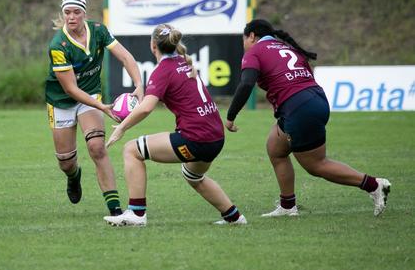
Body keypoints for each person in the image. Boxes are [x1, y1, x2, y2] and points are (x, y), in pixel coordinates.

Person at [225, 19, 391, 217]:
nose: (244, 44)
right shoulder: (287, 48)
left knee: (316, 165)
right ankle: (288, 206)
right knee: (275, 148)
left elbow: (246, 84)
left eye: (244, 39)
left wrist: (231, 116)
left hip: (298, 107)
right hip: (316, 99)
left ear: (252, 36)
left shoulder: (255, 51)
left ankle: (374, 185)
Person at [104, 24, 246, 227]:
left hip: (195, 139)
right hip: (215, 136)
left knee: (131, 150)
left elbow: (146, 108)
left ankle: (136, 214)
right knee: (193, 175)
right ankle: (234, 217)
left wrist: (121, 128)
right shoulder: (184, 62)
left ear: (153, 45)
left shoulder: (163, 70)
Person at [45, 0, 143, 217]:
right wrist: (105, 108)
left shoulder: (99, 30)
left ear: (84, 14)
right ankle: (73, 176)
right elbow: (71, 89)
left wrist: (139, 84)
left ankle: (115, 209)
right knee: (66, 162)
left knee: (97, 148)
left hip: (90, 96)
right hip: (61, 101)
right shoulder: (58, 45)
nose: (71, 17)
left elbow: (126, 57)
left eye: (76, 12)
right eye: (67, 12)